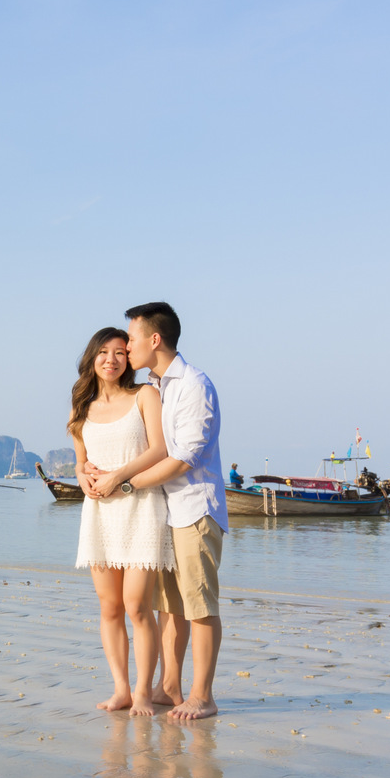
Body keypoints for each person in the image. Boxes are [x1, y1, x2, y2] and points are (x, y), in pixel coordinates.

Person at [86, 302, 228, 721]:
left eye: (130, 340)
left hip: (194, 508)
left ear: (154, 339)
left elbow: (183, 458)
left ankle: (202, 696)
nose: (126, 348)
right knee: (169, 606)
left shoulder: (194, 384)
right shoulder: (155, 384)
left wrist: (124, 483)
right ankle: (169, 688)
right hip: (163, 511)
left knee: (199, 604)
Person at [68, 326, 174, 716]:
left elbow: (160, 450)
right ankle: (121, 689)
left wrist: (118, 477)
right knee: (109, 606)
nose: (111, 359)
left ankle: (143, 692)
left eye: (119, 352)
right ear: (92, 357)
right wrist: (82, 477)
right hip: (100, 513)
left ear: (129, 358)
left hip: (141, 508)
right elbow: (81, 462)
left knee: (137, 606)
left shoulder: (145, 395)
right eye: (103, 352)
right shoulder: (81, 407)